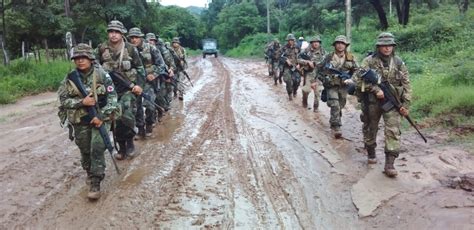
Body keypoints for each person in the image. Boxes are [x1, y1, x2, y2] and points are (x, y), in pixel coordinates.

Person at [57, 43, 119, 200]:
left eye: (83, 57)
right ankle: (90, 173)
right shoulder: (69, 78)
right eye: (77, 58)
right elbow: (63, 101)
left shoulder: (101, 75)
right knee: (85, 149)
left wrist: (102, 116)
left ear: (91, 59)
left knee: (97, 147)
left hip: (100, 118)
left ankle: (96, 181)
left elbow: (113, 98)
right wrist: (81, 102)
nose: (80, 61)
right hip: (80, 120)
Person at [355, 32, 411, 177]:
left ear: (393, 47)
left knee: (393, 129)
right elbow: (358, 79)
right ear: (378, 47)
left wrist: (406, 104)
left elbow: (406, 84)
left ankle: (389, 164)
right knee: (370, 127)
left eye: (389, 45)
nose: (387, 48)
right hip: (373, 101)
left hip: (392, 102)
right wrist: (375, 89)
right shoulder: (369, 61)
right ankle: (371, 151)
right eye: (383, 46)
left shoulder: (399, 62)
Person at [97, 20, 145, 160]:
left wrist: (138, 85)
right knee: (114, 119)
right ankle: (121, 147)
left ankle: (130, 143)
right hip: (108, 91)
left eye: (116, 32)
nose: (113, 35)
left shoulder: (130, 49)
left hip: (127, 89)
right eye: (111, 32)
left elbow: (140, 69)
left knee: (126, 115)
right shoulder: (101, 49)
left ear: (122, 33)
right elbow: (93, 68)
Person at [128, 28, 166, 137]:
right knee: (137, 106)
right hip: (134, 82)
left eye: (136, 37)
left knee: (149, 104)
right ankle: (140, 128)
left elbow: (161, 65)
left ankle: (149, 123)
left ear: (141, 38)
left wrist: (153, 74)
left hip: (149, 82)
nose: (134, 40)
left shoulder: (151, 48)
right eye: (132, 38)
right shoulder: (127, 50)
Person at [319, 35, 358, 138]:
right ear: (335, 45)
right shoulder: (328, 57)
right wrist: (323, 79)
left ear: (345, 45)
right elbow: (319, 68)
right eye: (338, 43)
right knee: (335, 104)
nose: (340, 45)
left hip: (343, 86)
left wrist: (352, 79)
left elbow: (357, 71)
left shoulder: (351, 57)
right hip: (331, 86)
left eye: (342, 44)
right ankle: (337, 127)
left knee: (340, 105)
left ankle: (334, 119)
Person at [297, 35, 326, 111]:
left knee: (318, 91)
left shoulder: (323, 52)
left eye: (317, 42)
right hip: (309, 73)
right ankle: (304, 101)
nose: (316, 43)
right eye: (314, 42)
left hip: (319, 74)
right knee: (306, 90)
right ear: (311, 43)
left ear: (319, 43)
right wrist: (307, 62)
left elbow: (327, 61)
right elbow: (298, 59)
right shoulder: (306, 51)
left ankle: (316, 107)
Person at [278, 33, 300, 101]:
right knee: (288, 81)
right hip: (287, 67)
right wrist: (286, 60)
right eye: (289, 40)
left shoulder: (297, 47)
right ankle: (290, 94)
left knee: (297, 81)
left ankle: (295, 90)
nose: (290, 41)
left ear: (294, 40)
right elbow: (279, 56)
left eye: (292, 40)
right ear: (287, 41)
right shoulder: (284, 48)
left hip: (295, 67)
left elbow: (301, 56)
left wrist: (299, 64)